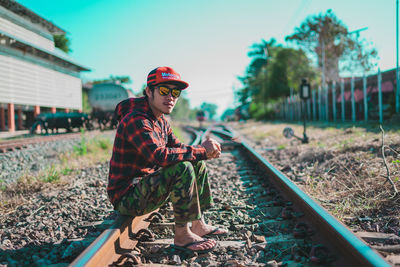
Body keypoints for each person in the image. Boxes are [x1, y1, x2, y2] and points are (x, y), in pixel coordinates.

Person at [107, 66, 227, 253]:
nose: (170, 96)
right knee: (183, 167)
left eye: (175, 92)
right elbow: (159, 156)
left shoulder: (161, 121)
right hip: (127, 197)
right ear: (148, 91)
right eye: (164, 90)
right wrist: (202, 150)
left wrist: (203, 151)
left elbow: (179, 148)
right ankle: (182, 236)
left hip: (145, 186)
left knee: (195, 161)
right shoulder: (136, 119)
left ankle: (198, 224)